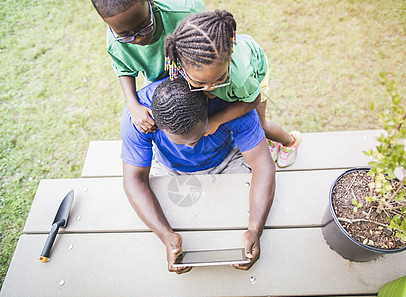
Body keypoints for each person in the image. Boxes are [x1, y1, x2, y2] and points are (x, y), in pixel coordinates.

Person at [121, 77, 276, 274]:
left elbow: (263, 165)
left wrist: (255, 229)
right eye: (180, 142)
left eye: (198, 136)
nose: (191, 147)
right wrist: (166, 235)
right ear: (156, 125)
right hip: (171, 169)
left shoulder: (230, 104)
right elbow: (133, 179)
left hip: (226, 160)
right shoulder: (140, 117)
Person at [164, 9, 302, 168]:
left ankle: (290, 142)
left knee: (260, 124)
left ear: (228, 62)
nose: (209, 87)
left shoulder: (241, 79)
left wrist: (217, 120)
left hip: (255, 76)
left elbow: (252, 101)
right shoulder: (178, 59)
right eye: (200, 83)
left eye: (219, 79)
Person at [91, 0, 205, 133]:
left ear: (150, 3)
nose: (139, 39)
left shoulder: (188, 13)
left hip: (197, 74)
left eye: (145, 27)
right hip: (156, 82)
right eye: (126, 36)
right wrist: (133, 106)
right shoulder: (115, 43)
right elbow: (123, 69)